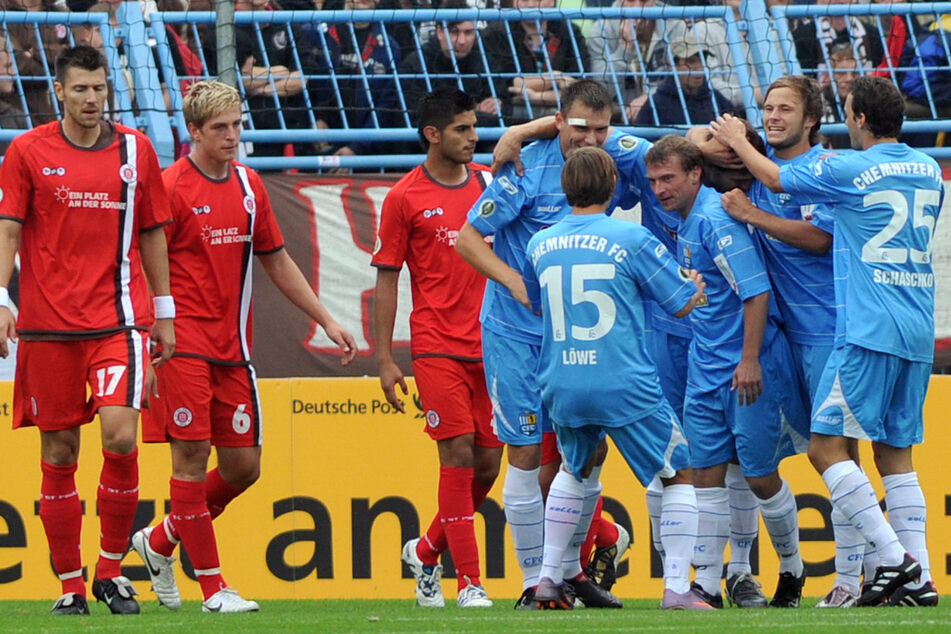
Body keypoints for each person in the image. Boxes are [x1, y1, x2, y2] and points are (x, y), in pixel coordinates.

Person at [711, 75, 943, 608]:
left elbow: (777, 177)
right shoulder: (928, 169)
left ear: (856, 118)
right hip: (915, 325)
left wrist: (741, 148)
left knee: (826, 449)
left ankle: (894, 562)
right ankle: (921, 577)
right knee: (895, 456)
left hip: (865, 326)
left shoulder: (845, 168)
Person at [132, 80, 356, 613]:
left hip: (233, 351)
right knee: (190, 460)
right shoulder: (169, 187)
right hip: (181, 346)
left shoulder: (251, 187)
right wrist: (150, 334)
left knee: (243, 469)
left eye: (237, 125)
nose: (233, 136)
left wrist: (325, 317)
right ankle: (213, 588)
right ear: (193, 132)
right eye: (220, 128)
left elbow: (277, 260)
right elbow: (147, 266)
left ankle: (161, 541)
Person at [456, 79, 650, 609]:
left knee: (588, 453)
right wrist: (515, 283)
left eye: (602, 129)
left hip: (574, 339)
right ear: (559, 123)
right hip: (517, 336)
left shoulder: (614, 159)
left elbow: (684, 149)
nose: (591, 138)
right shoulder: (525, 170)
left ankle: (565, 574)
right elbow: (469, 239)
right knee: (523, 452)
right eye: (579, 127)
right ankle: (528, 583)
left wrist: (522, 125)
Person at [0, 45, 175, 616]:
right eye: (81, 89)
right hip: (48, 328)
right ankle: (70, 585)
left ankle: (109, 571)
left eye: (100, 88)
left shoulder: (136, 150)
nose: (92, 98)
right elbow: (7, 231)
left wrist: (165, 311)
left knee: (122, 435)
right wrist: (1, 296)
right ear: (60, 92)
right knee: (59, 450)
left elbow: (152, 232)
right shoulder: (26, 151)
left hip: (118, 321)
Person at [699, 75, 871, 607]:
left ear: (812, 119)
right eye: (767, 108)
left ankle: (850, 578)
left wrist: (755, 215)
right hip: (780, 339)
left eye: (785, 109)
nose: (773, 117)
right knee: (750, 461)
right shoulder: (755, 170)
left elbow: (822, 239)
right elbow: (687, 146)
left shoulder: (821, 171)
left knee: (839, 454)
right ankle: (764, 571)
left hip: (827, 331)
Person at [523, 146, 711, 611]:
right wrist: (697, 288)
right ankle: (676, 589)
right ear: (612, 188)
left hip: (562, 379)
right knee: (679, 472)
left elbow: (537, 302)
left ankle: (547, 579)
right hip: (621, 378)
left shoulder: (539, 243)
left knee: (575, 467)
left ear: (566, 189)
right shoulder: (631, 238)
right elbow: (681, 302)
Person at [644, 135, 810, 610]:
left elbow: (754, 292)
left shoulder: (717, 220)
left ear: (696, 174)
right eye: (654, 181)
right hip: (705, 367)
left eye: (669, 178)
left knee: (759, 477)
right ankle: (708, 585)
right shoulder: (685, 221)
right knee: (706, 476)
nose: (659, 189)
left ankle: (793, 569)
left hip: (745, 367)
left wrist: (750, 359)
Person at [372, 88, 503, 608]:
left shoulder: (491, 186)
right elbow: (387, 279)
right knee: (457, 453)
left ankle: (425, 550)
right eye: (463, 129)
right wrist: (385, 358)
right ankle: (468, 581)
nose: (475, 138)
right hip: (435, 346)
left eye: (475, 128)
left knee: (490, 465)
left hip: (492, 345)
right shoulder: (404, 197)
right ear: (433, 134)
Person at [398, 0, 509, 131]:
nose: (462, 41)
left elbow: (507, 108)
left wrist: (499, 104)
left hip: (479, 142)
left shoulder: (486, 61)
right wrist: (473, 113)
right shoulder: (415, 64)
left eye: (468, 33)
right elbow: (418, 118)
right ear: (439, 32)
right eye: (454, 32)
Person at [632, 36, 738, 126]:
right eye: (691, 62)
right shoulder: (656, 104)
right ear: (671, 65)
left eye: (702, 60)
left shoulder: (717, 99)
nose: (699, 68)